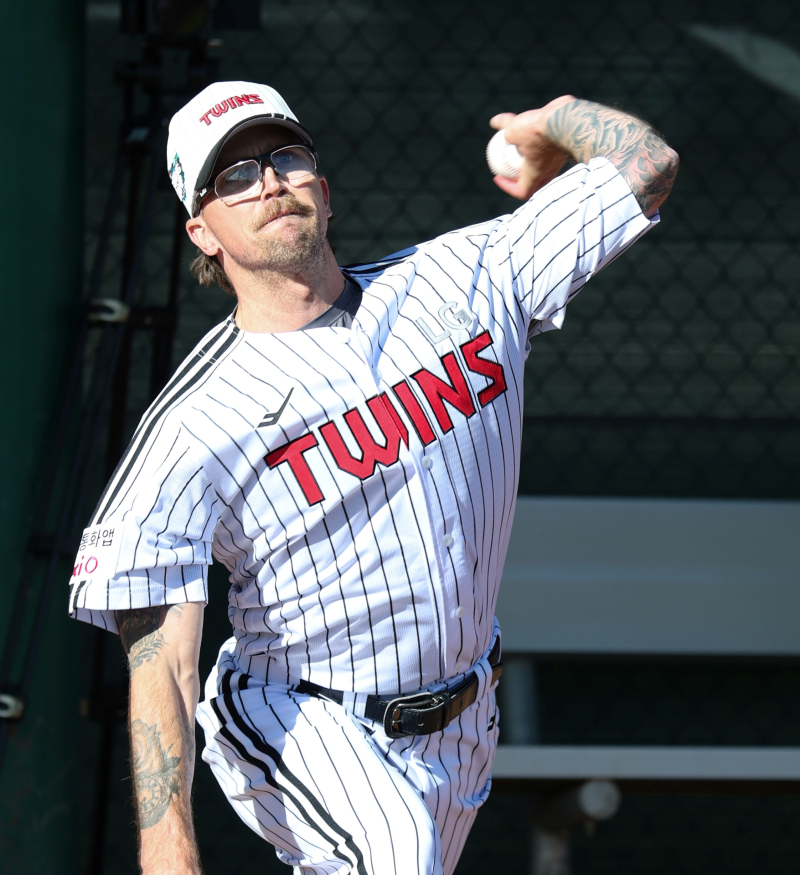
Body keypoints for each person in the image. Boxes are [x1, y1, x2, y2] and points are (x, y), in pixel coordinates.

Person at [69, 80, 677, 875]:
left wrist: (549, 122)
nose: (270, 182)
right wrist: (168, 860)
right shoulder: (195, 421)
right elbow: (165, 666)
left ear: (323, 190)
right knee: (394, 855)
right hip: (302, 716)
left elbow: (648, 166)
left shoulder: (465, 278)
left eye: (286, 157)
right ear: (203, 231)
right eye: (235, 176)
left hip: (463, 720)